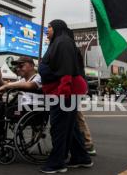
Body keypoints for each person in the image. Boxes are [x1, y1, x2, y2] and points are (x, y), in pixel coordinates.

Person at [38, 20, 92, 173]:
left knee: (59, 127)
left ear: (57, 28)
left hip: (65, 93)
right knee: (71, 127)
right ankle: (81, 157)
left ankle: (57, 163)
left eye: (49, 27)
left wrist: (61, 94)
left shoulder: (63, 42)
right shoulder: (58, 42)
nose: (46, 30)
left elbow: (66, 71)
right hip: (65, 92)